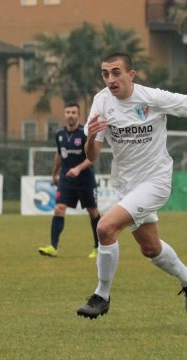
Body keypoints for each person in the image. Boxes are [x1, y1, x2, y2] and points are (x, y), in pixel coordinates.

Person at [77, 53, 187, 319]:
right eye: (105, 73)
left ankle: (101, 295)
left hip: (156, 181)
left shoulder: (152, 98)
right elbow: (91, 155)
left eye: (116, 72)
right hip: (128, 185)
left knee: (105, 227)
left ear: (131, 74)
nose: (110, 79)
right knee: (151, 248)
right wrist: (92, 135)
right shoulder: (102, 101)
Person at [38, 102, 100, 259]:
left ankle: (98, 247)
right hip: (67, 178)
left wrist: (78, 168)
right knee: (59, 208)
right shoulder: (59, 133)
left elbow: (92, 158)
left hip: (85, 178)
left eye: (73, 112)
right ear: (64, 114)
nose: (70, 115)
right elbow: (59, 155)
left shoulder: (84, 133)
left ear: (78, 115)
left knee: (92, 212)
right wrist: (54, 174)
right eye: (68, 112)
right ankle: (53, 246)